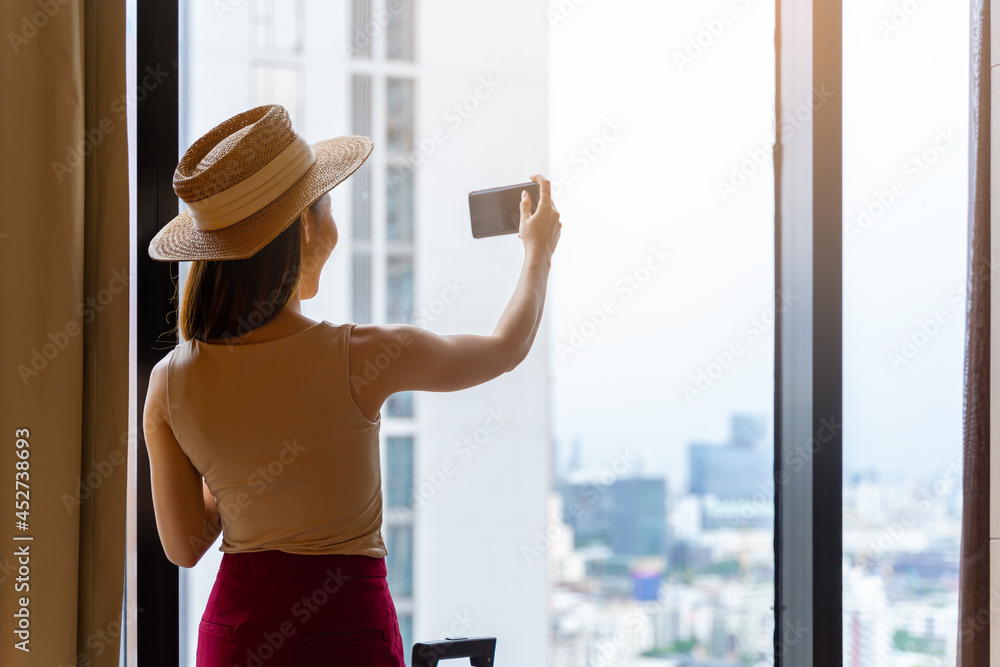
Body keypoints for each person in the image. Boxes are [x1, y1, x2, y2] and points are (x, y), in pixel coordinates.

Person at [142, 104, 561, 666]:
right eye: (329, 209)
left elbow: (184, 546)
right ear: (305, 227)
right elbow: (503, 350)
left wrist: (236, 476)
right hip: (342, 625)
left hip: (235, 635)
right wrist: (537, 254)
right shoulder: (361, 355)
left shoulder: (169, 381)